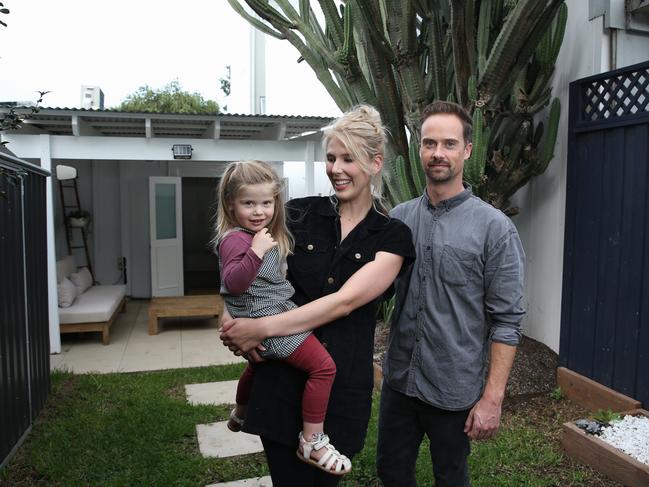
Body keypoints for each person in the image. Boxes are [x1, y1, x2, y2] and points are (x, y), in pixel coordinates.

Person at [219, 104, 415, 487]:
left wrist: (259, 328)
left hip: (338, 391)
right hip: (278, 384)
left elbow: (344, 301)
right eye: (330, 158)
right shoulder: (296, 215)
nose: (336, 169)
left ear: (375, 163)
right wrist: (231, 321)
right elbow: (245, 264)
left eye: (348, 159)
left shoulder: (392, 236)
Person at [376, 100, 526, 487]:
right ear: (419, 150)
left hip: (453, 388)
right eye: (429, 143)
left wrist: (491, 399)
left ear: (467, 150)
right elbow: (372, 290)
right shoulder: (400, 218)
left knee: (451, 477)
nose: (438, 153)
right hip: (399, 381)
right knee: (391, 473)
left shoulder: (494, 229)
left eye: (448, 143)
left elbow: (508, 321)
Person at [213, 160, 348, 475]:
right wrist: (256, 251)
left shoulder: (253, 233)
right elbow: (232, 282)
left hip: (265, 318)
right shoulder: (238, 239)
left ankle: (241, 413)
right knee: (323, 368)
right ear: (231, 205)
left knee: (255, 366)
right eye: (249, 203)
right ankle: (312, 440)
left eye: (266, 202)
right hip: (271, 323)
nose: (259, 211)